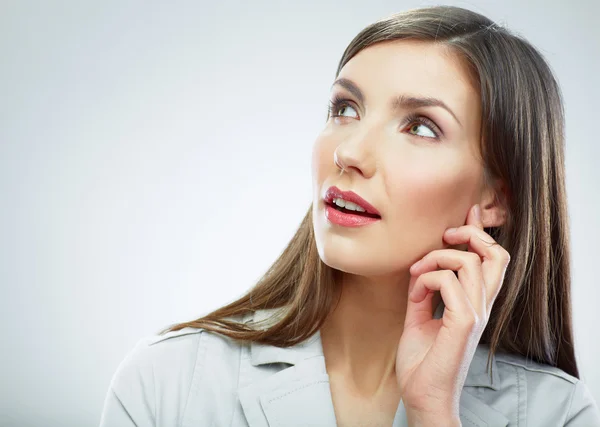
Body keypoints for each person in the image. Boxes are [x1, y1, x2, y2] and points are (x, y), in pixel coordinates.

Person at [99, 5, 600, 426]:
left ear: (497, 198)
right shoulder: (167, 384)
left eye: (421, 127)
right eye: (346, 109)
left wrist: (433, 412)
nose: (350, 152)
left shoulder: (556, 413)